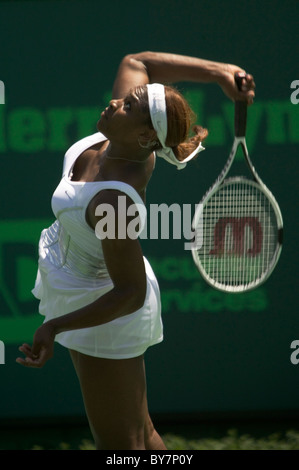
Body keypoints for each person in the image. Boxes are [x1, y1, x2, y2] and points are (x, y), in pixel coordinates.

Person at [16, 51, 255, 450]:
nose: (115, 101)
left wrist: (54, 327)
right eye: (126, 98)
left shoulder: (114, 202)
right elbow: (138, 61)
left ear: (146, 137)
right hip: (77, 289)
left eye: (129, 104)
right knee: (138, 437)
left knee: (123, 446)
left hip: (104, 310)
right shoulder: (128, 134)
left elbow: (130, 293)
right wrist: (220, 73)